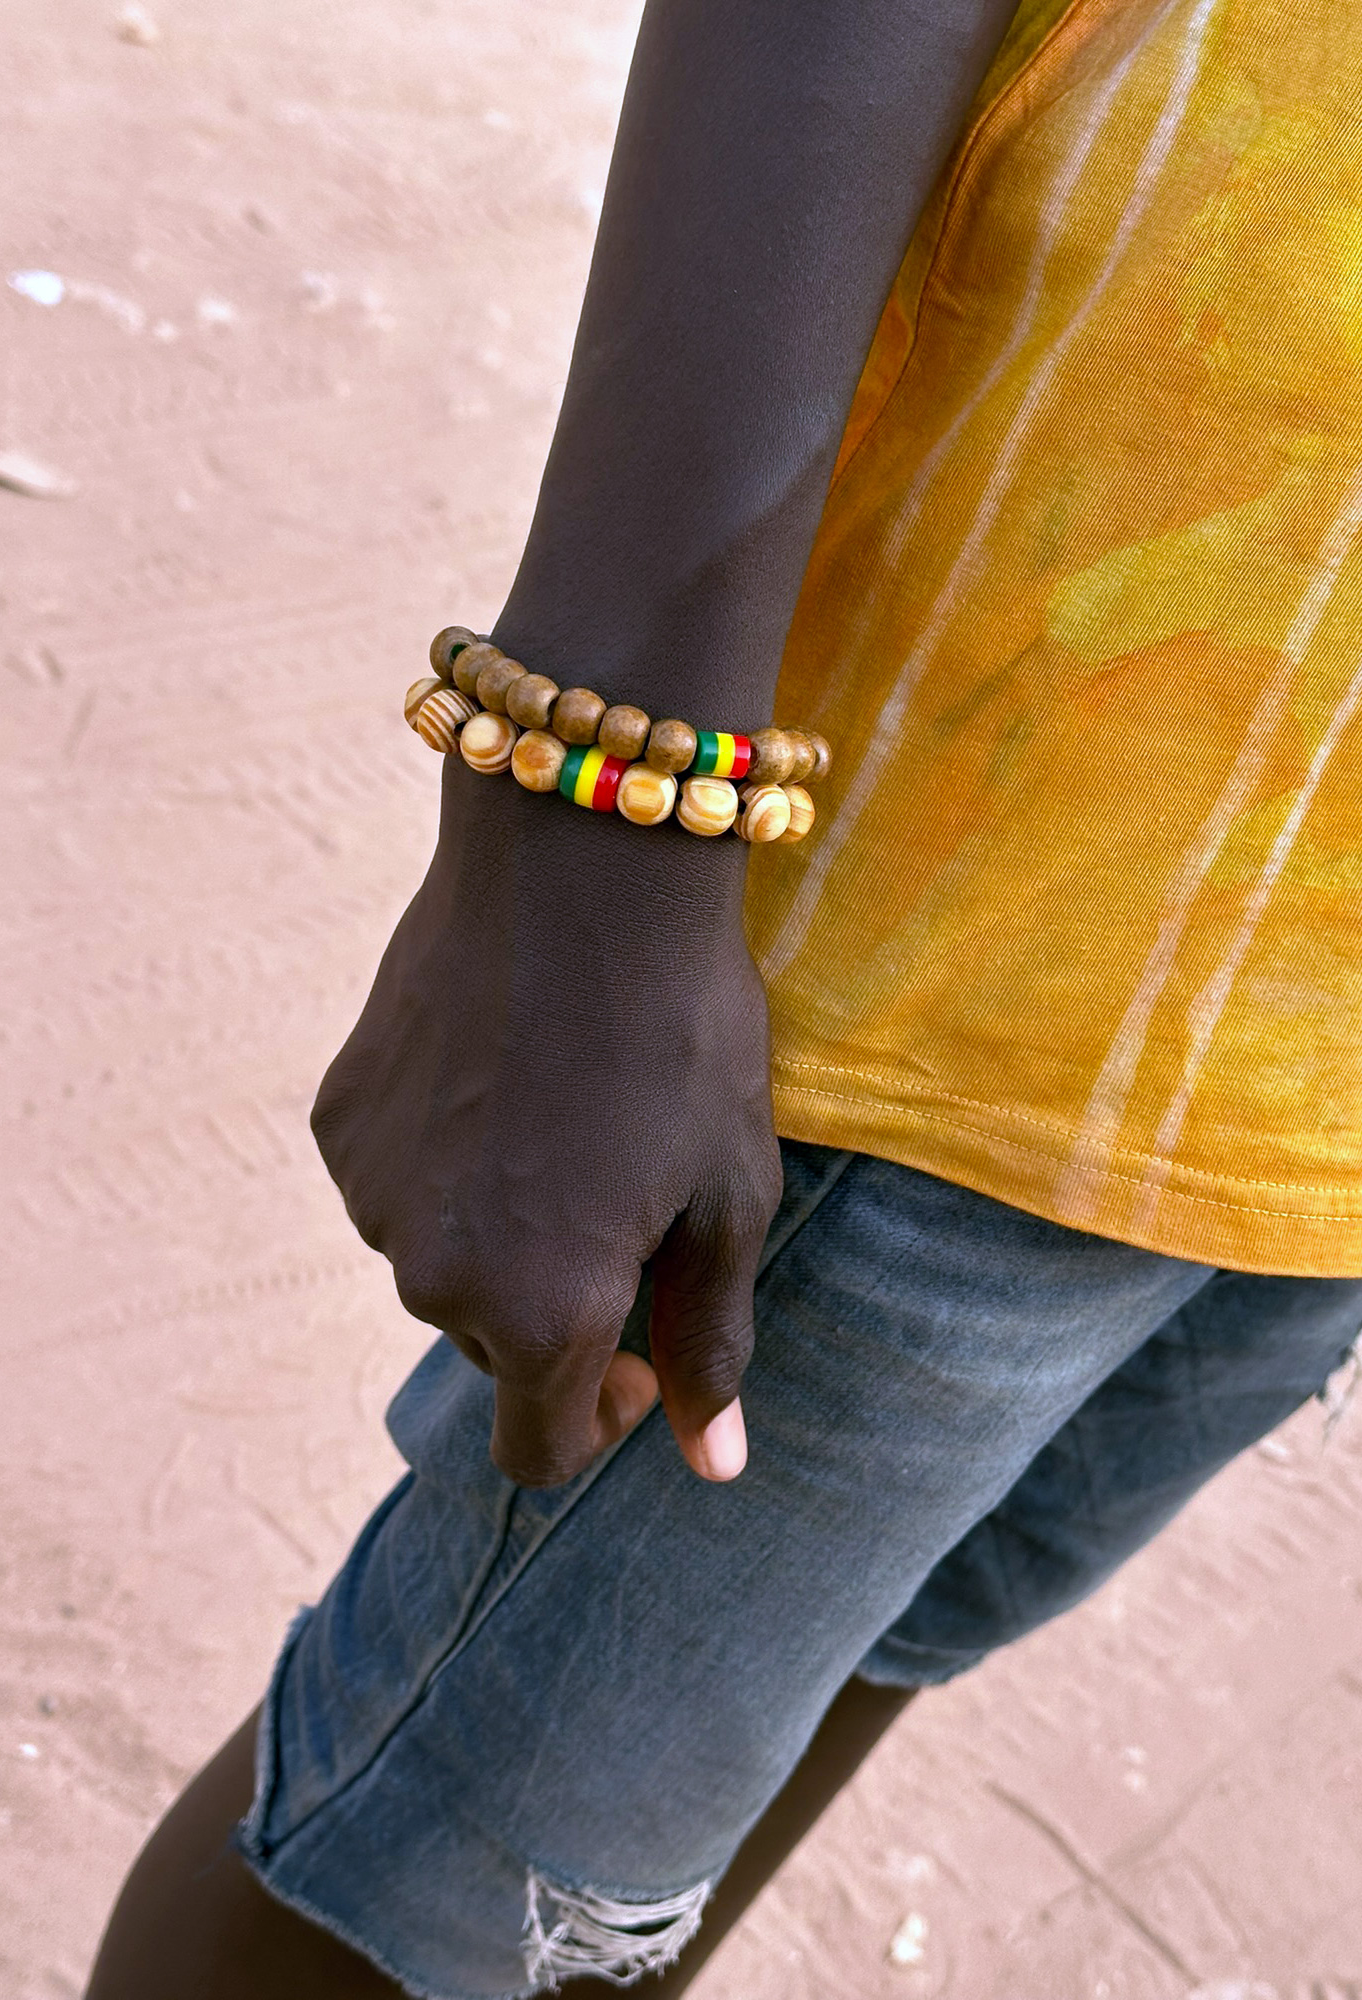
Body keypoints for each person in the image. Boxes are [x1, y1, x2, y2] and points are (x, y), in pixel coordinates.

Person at [86, 0, 1362, 1993]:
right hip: (1010, 907)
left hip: (1308, 1080)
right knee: (450, 1883)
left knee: (761, 1738)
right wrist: (591, 815)